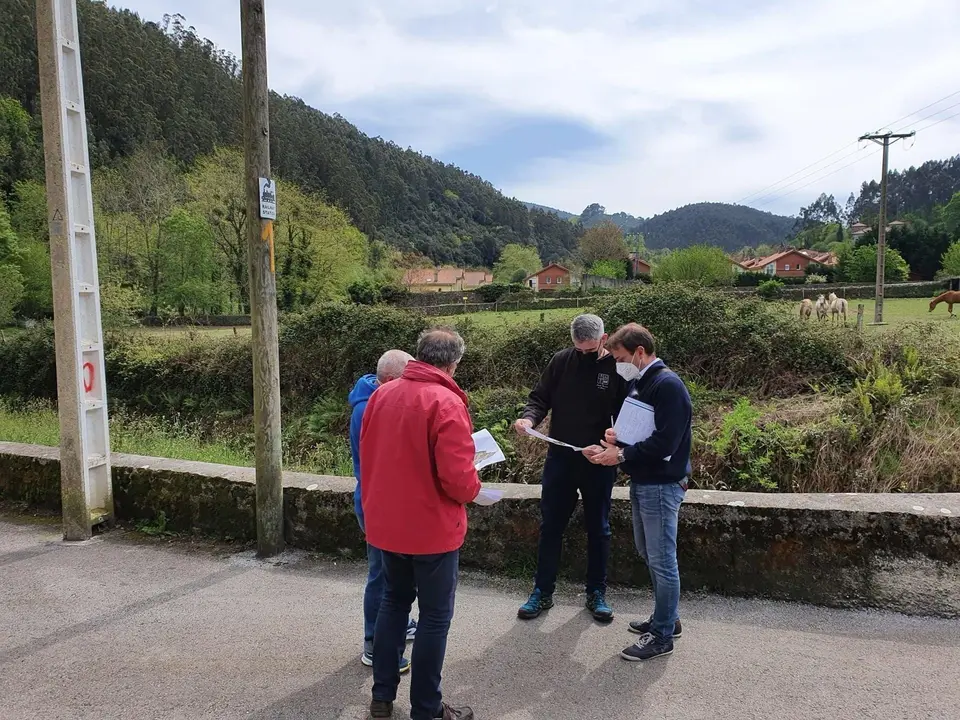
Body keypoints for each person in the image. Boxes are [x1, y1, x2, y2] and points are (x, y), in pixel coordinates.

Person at [361, 328, 481, 720]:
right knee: (434, 617)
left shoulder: (381, 394)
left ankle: (382, 697)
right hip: (431, 530)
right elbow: (459, 481)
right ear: (453, 363)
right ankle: (427, 709)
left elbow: (369, 454)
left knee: (393, 603)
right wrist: (476, 482)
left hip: (386, 523)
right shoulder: (446, 402)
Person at [584, 323, 692, 662]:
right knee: (649, 553)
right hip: (645, 481)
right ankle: (666, 618)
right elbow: (646, 430)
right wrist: (618, 438)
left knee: (662, 560)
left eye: (620, 357)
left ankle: (661, 636)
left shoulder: (667, 385)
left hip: (661, 483)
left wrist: (622, 454)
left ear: (640, 353)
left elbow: (665, 442)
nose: (618, 364)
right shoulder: (641, 383)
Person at [514, 314, 627, 622]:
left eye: (590, 350)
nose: (584, 354)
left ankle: (596, 592)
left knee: (598, 529)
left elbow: (629, 415)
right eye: (579, 348)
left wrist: (613, 448)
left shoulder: (618, 367)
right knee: (551, 526)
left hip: (599, 462)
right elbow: (539, 398)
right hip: (561, 458)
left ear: (604, 340)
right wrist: (529, 419)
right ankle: (542, 591)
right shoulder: (562, 361)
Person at [348, 349, 417, 671]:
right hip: (377, 504)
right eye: (408, 378)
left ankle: (396, 627)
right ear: (390, 380)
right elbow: (386, 462)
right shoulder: (369, 409)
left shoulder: (380, 399)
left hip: (385, 501)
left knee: (394, 574)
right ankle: (374, 643)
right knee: (382, 576)